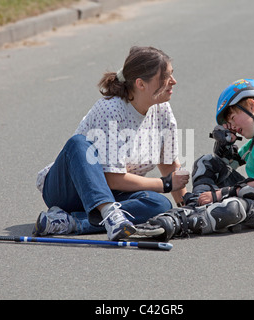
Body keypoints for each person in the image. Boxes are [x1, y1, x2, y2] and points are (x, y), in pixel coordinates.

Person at [33, 46, 189, 241]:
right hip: (69, 191)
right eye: (165, 76)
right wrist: (164, 184)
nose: (173, 81)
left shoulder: (162, 109)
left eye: (171, 74)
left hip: (115, 193)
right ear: (141, 84)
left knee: (160, 205)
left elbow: (167, 163)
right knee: (78, 143)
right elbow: (112, 178)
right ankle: (109, 216)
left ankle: (71, 222)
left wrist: (187, 209)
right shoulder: (111, 109)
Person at [136, 79, 254, 241]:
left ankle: (184, 222)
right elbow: (227, 165)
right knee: (207, 162)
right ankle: (196, 206)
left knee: (233, 207)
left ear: (252, 106)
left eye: (232, 118)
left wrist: (219, 194)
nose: (233, 126)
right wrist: (224, 145)